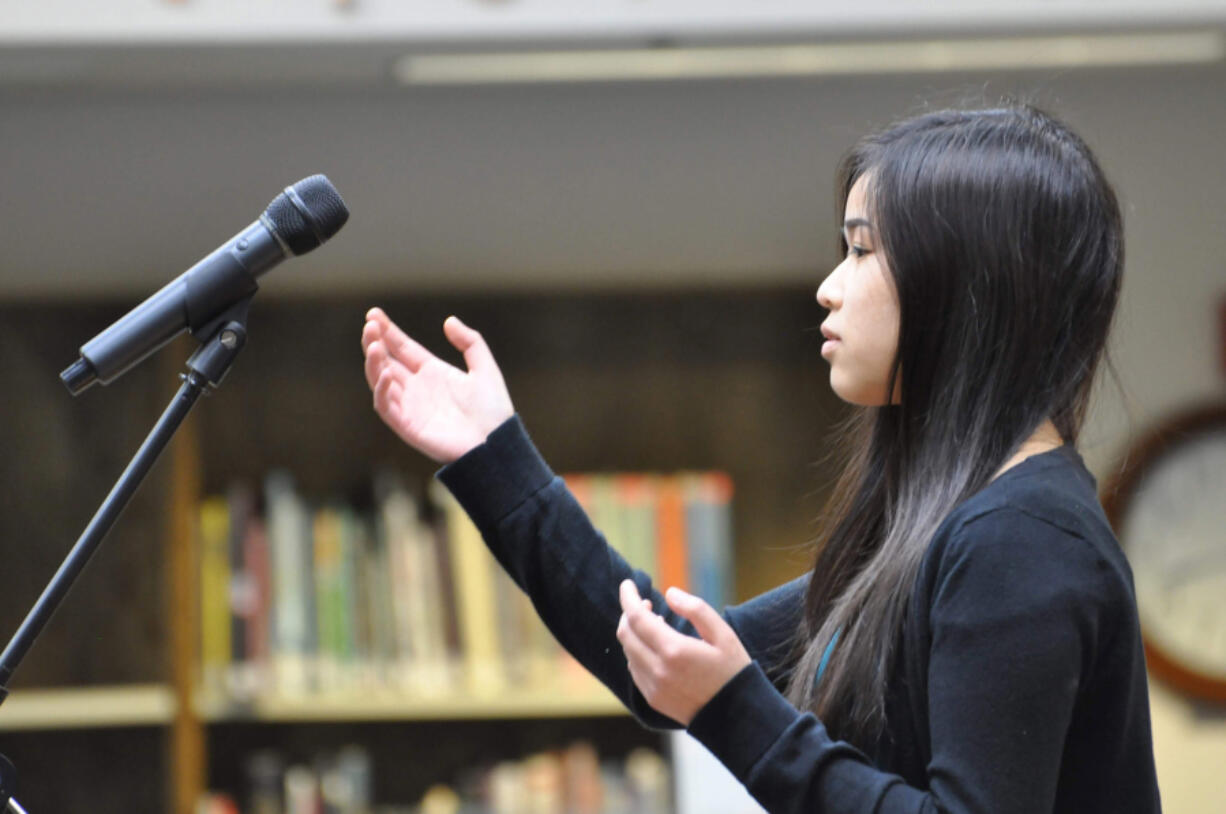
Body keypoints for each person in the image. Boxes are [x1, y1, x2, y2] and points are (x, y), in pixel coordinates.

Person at [360, 105, 1160, 813]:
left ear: (969, 281)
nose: (829, 287)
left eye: (861, 250)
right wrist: (493, 456)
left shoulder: (1021, 542)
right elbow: (665, 654)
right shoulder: (943, 528)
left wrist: (736, 712)